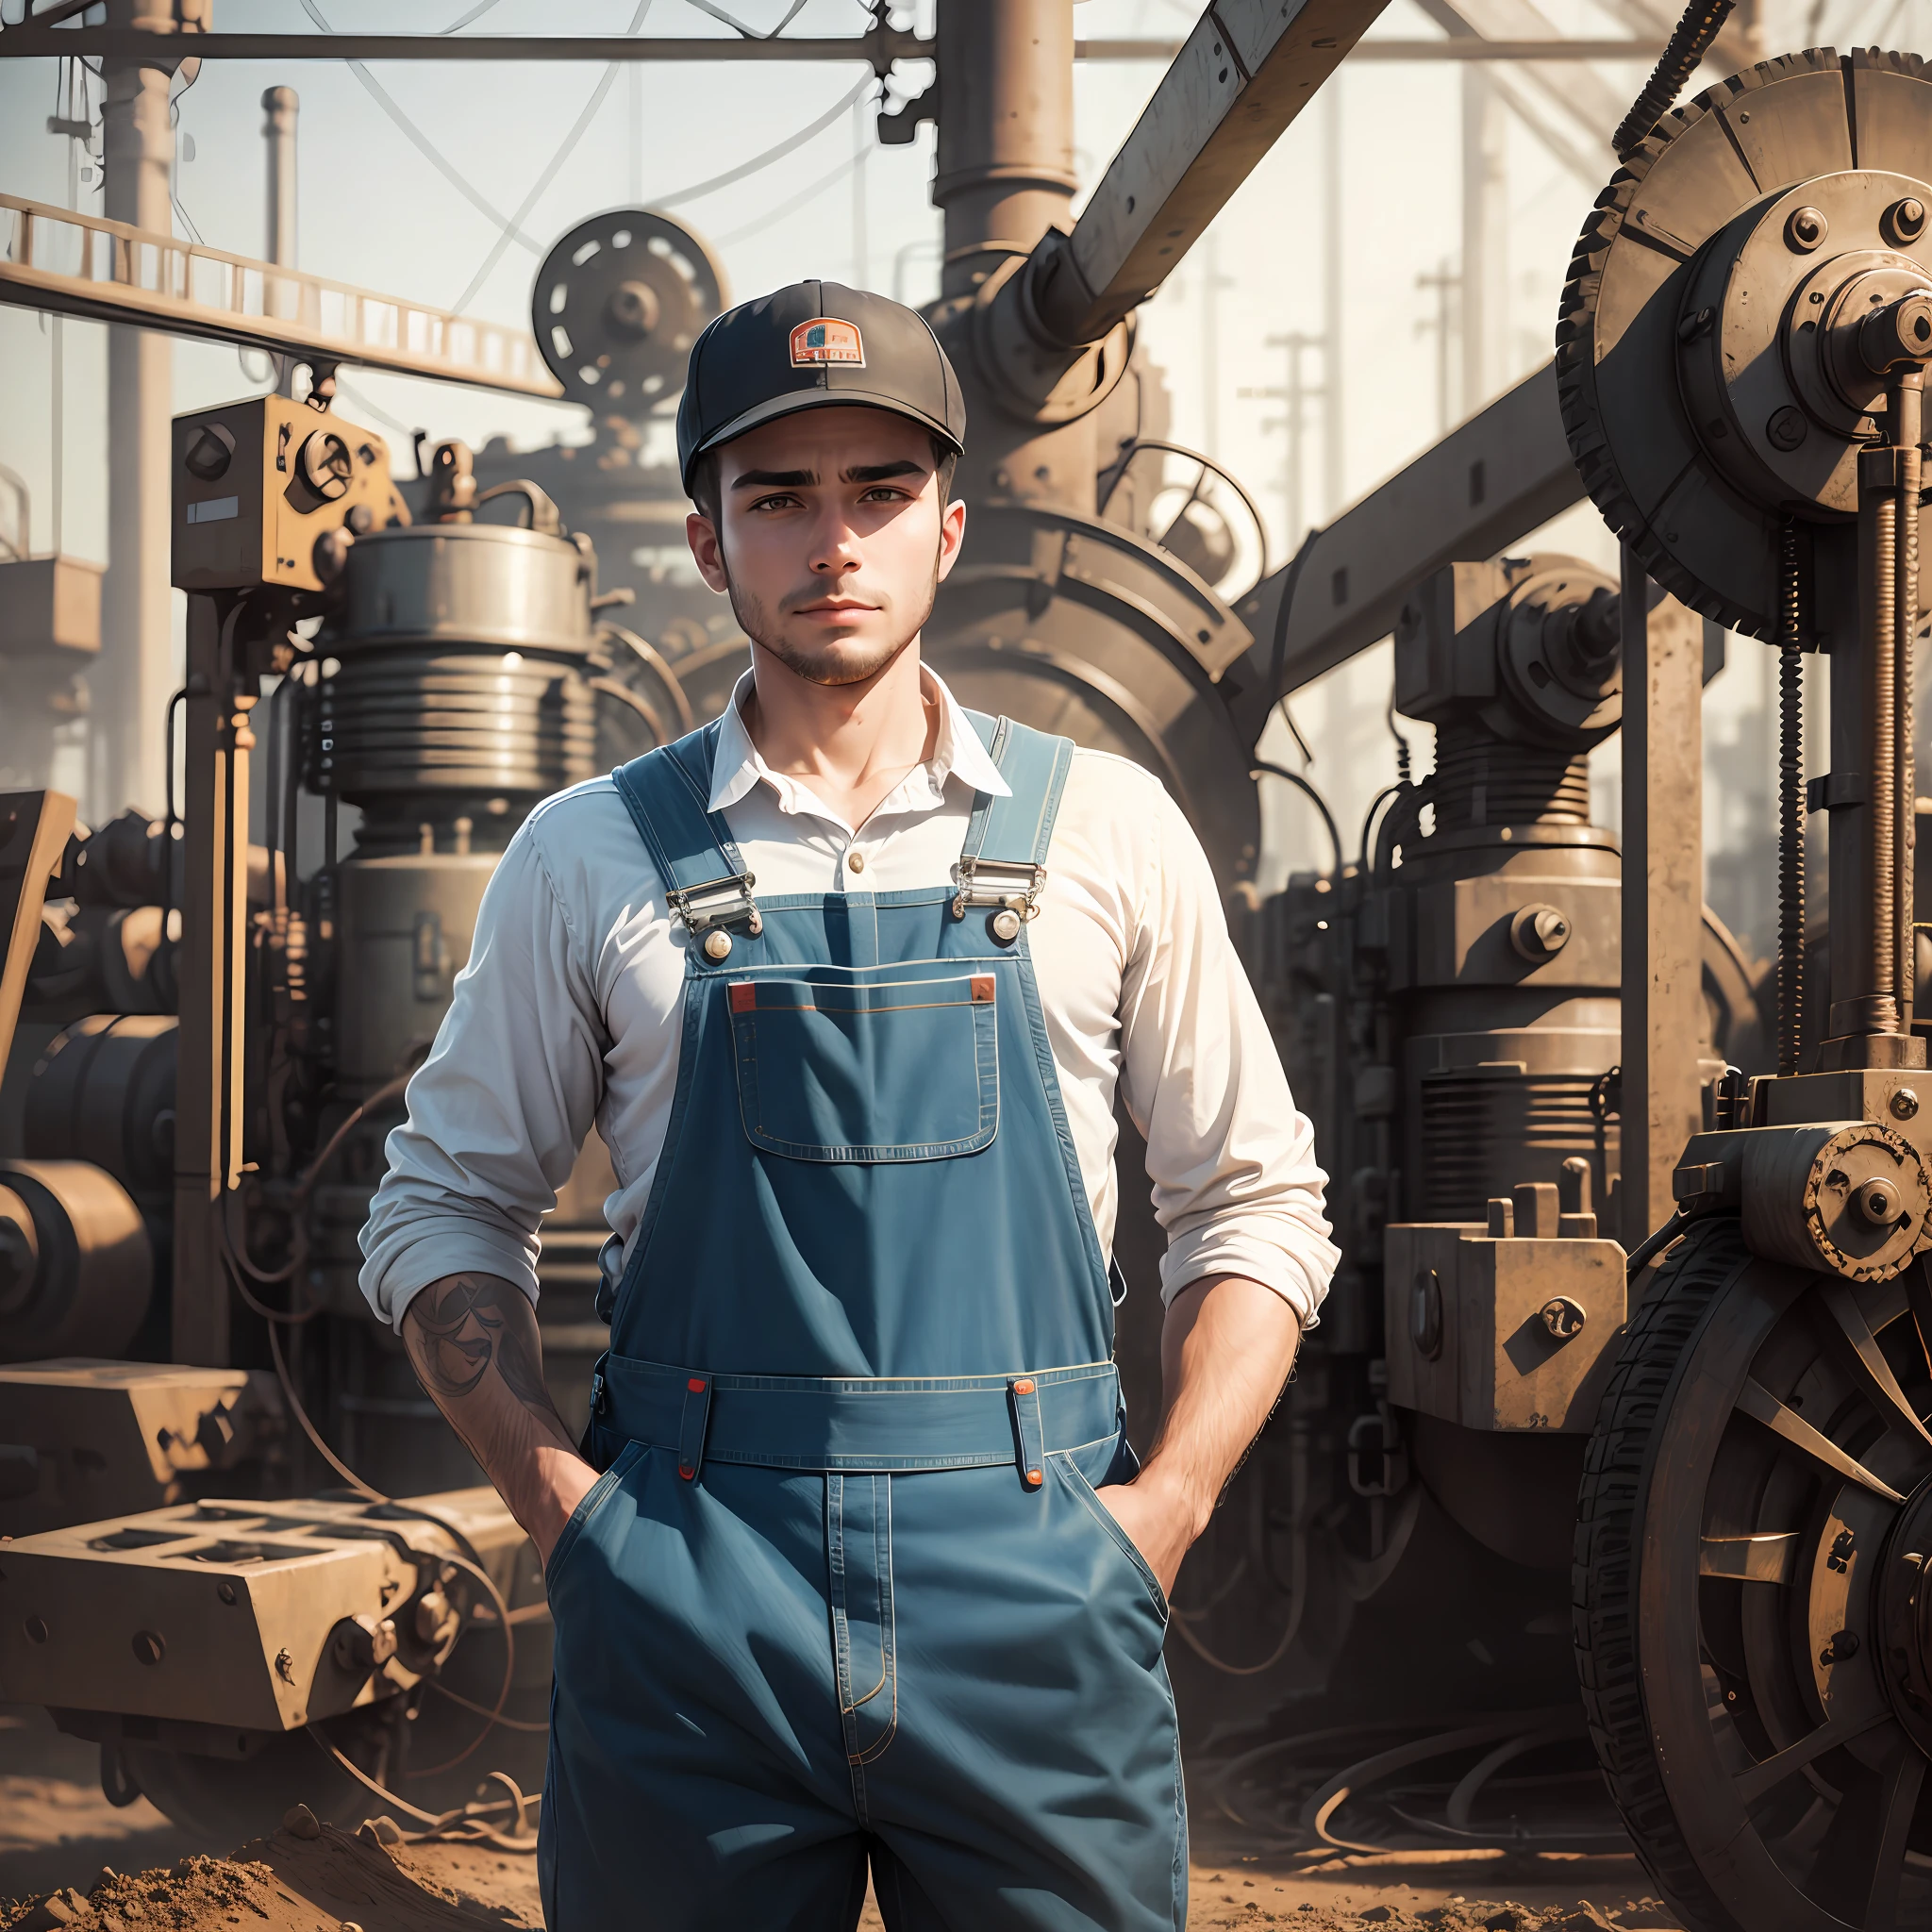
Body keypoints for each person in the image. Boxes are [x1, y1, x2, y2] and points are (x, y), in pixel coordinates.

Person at [359, 279, 1337, 1930]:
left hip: (1035, 1595)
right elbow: (440, 1204)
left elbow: (1255, 1201)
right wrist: (567, 1518)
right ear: (703, 538)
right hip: (691, 1600)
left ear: (949, 528)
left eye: (879, 493)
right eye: (780, 497)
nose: (835, 542)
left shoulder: (1110, 832)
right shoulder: (587, 853)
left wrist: (1154, 1522)